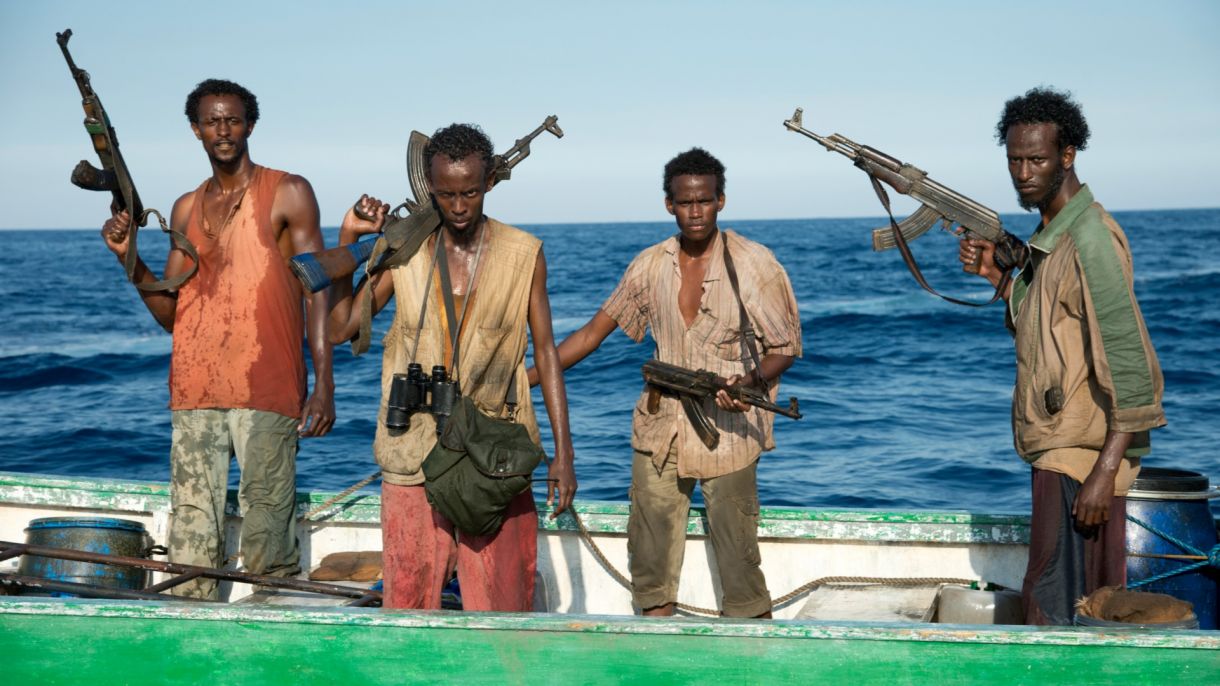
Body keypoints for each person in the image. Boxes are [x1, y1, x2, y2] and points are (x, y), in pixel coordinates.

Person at [527, 148, 801, 618]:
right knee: (650, 561)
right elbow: (592, 335)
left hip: (730, 434)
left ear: (721, 201)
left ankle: (750, 654)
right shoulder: (650, 265)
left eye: (705, 201)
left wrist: (747, 381)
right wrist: (523, 379)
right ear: (668, 205)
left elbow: (786, 347)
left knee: (739, 558)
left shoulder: (755, 265)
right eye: (686, 203)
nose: (696, 212)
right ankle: (657, 645)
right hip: (658, 429)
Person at [100, 79, 335, 599]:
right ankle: (191, 646)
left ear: (250, 125)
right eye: (212, 121)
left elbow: (319, 287)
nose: (223, 130)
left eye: (232, 120)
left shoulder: (288, 191)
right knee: (189, 542)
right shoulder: (185, 208)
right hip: (195, 390)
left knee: (269, 533)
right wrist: (128, 259)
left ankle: (271, 646)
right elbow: (172, 315)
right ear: (196, 130)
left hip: (266, 387)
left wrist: (324, 384)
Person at [328, 123, 577, 611]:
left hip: (496, 452)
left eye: (469, 192)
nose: (459, 206)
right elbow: (340, 326)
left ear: (488, 184)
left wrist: (563, 454)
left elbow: (546, 352)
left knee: (504, 603)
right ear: (430, 190)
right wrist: (348, 239)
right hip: (413, 449)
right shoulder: (404, 250)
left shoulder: (524, 253)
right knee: (408, 600)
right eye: (446, 195)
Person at [959, 87, 1166, 625]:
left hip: (1082, 457)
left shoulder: (1091, 238)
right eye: (1014, 160)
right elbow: (1049, 336)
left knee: (1053, 599)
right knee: (1069, 601)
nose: (1023, 172)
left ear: (1067, 156)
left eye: (1037, 159)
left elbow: (1129, 361)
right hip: (1058, 447)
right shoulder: (1050, 239)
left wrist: (1106, 469)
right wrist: (1000, 280)